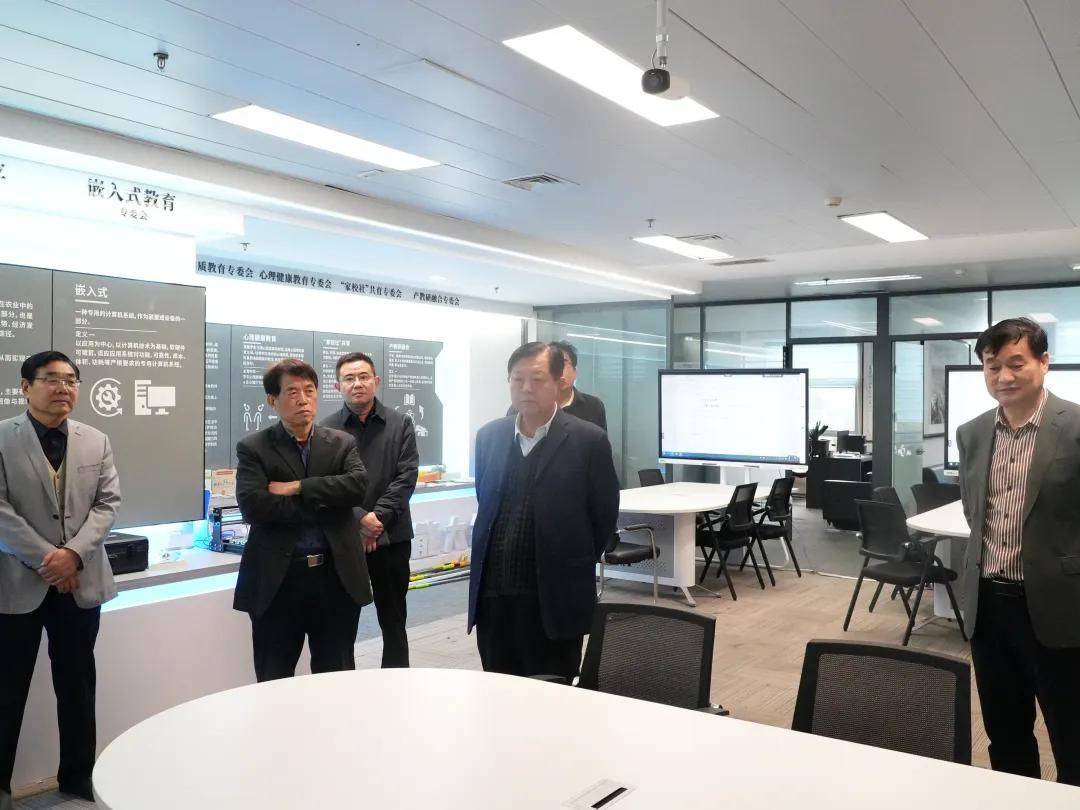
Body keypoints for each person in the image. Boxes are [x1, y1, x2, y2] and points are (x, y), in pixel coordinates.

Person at [955, 317, 1080, 785]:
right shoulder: (971, 433)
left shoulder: (1075, 427)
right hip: (988, 607)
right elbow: (974, 513)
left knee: (1072, 734)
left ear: (1044, 363)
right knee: (1005, 734)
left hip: (1059, 606)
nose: (1003, 377)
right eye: (992, 367)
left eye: (1016, 364)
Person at [0, 351, 121, 808]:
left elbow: (108, 503)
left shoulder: (96, 439)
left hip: (80, 583)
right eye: (51, 379)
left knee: (77, 686)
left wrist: (72, 555)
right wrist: (49, 560)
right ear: (25, 387)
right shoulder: (3, 437)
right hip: (16, 585)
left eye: (71, 380)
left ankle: (77, 777)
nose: (63, 388)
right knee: (6, 691)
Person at [469, 342, 620, 681]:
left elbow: (603, 517)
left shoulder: (588, 440)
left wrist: (569, 560)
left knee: (554, 691)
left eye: (537, 379)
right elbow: (486, 501)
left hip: (555, 599)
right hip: (494, 597)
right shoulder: (489, 437)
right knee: (496, 688)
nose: (526, 388)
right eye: (517, 379)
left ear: (558, 382)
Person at [233, 358, 371, 682]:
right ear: (273, 400)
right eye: (292, 392)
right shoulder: (254, 448)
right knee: (274, 677)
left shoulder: (341, 443)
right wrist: (328, 501)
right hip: (279, 580)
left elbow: (358, 487)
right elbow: (254, 506)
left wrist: (299, 488)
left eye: (309, 391)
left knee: (336, 676)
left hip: (335, 578)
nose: (303, 400)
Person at [322, 352, 418, 668]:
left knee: (394, 622)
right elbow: (325, 484)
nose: (357, 384)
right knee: (342, 625)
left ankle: (396, 684)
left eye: (363, 377)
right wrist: (359, 518)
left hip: (392, 537)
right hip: (345, 541)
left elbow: (406, 476)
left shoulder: (400, 424)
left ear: (376, 381)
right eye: (349, 378)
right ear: (338, 386)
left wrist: (378, 518)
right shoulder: (325, 430)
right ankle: (346, 687)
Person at [549, 341, 607, 431]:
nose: (559, 370)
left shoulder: (594, 406)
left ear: (575, 372)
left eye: (563, 364)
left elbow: (601, 439)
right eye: (553, 365)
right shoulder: (535, 406)